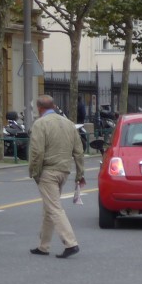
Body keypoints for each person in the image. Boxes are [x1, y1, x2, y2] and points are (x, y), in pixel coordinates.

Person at [28, 94, 86, 258]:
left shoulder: (40, 124)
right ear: (54, 106)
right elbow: (79, 151)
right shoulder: (69, 124)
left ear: (39, 109)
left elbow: (37, 152)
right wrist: (80, 174)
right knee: (49, 208)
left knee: (54, 208)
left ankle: (71, 243)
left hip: (48, 171)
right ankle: (43, 246)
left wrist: (34, 171)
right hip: (64, 171)